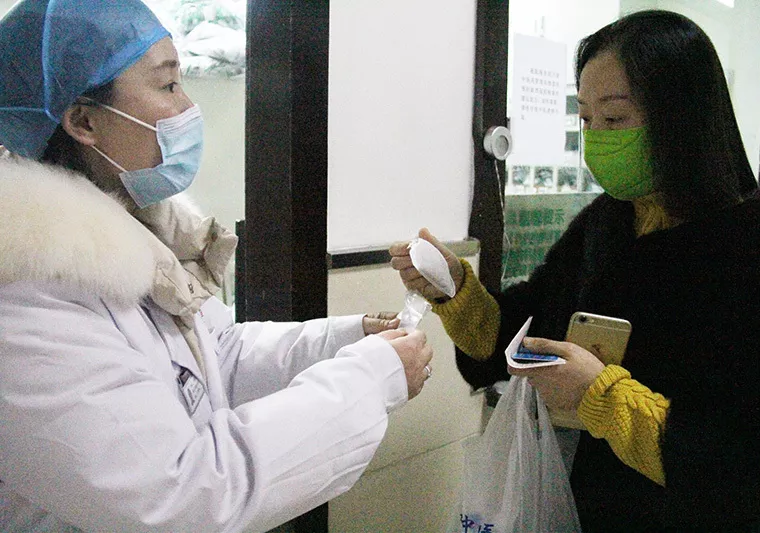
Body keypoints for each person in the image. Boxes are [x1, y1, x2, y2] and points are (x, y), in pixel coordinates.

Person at [0, 0, 434, 531]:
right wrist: (369, 379)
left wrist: (348, 340)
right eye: (168, 86)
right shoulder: (26, 299)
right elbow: (180, 495)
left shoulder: (132, 238)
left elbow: (216, 360)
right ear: (84, 121)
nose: (188, 106)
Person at [391, 10, 760, 532]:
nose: (596, 139)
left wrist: (600, 397)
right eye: (585, 119)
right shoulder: (606, 223)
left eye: (615, 118)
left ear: (682, 119)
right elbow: (518, 336)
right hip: (577, 509)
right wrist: (456, 293)